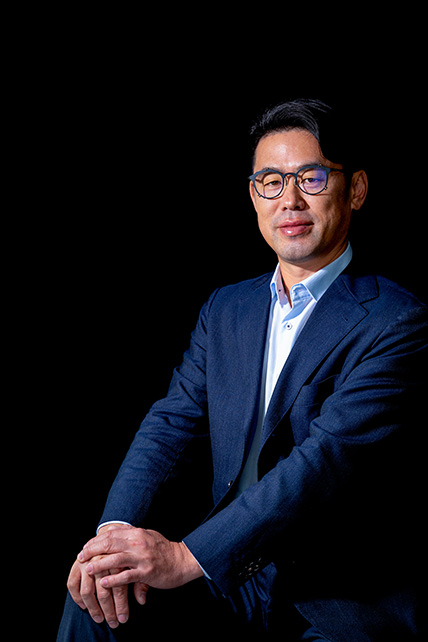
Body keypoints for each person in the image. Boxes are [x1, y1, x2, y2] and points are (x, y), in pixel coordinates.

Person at [57, 99, 427, 641]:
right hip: (236, 579)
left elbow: (323, 463)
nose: (290, 200)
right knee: (99, 600)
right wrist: (110, 538)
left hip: (340, 595)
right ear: (254, 196)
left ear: (356, 190)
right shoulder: (227, 309)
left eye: (312, 178)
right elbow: (171, 425)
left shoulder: (396, 321)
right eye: (271, 182)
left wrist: (186, 556)